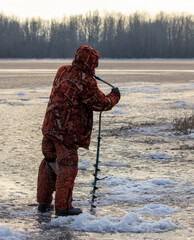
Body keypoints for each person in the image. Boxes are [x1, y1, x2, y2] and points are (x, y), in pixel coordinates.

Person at [37, 45, 120, 216]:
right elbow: (100, 104)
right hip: (67, 133)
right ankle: (63, 207)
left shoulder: (62, 71)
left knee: (49, 163)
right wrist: (114, 97)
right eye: (94, 63)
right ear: (89, 62)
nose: (95, 67)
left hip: (49, 127)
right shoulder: (86, 81)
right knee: (68, 166)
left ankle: (43, 203)